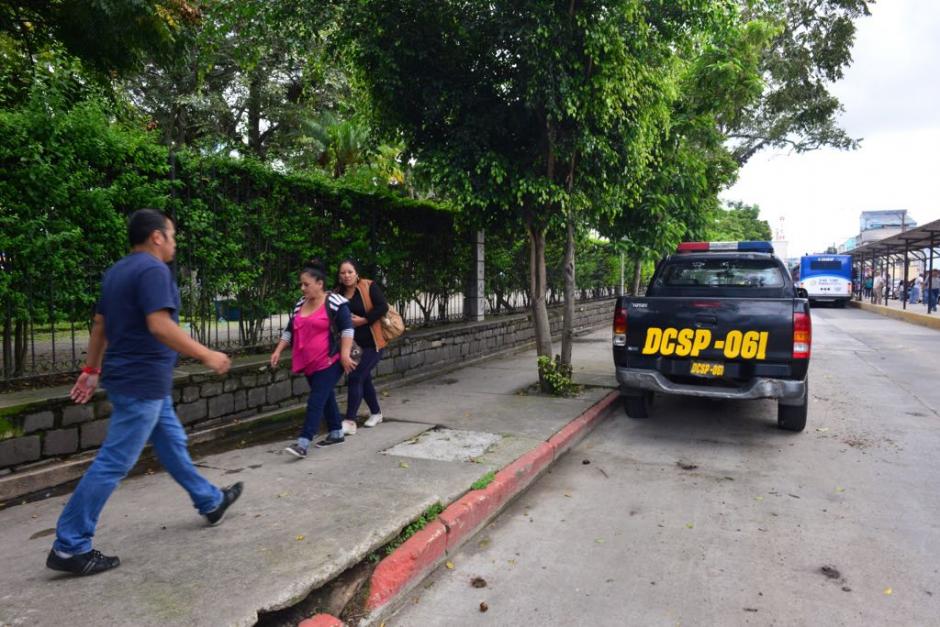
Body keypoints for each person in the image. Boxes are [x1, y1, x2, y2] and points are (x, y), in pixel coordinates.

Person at [47, 209, 241, 577]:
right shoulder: (154, 271)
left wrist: (91, 371)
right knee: (114, 462)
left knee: (172, 443)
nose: (174, 242)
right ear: (156, 237)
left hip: (130, 378)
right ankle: (70, 545)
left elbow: (100, 324)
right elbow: (159, 325)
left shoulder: (117, 271)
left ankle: (210, 501)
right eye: (172, 235)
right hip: (143, 382)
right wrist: (208, 354)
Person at [271, 260, 356, 457]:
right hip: (309, 362)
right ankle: (336, 432)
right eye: (301, 284)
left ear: (320, 283)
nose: (302, 288)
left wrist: (344, 355)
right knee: (325, 396)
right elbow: (290, 330)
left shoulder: (335, 302)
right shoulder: (300, 304)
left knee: (316, 400)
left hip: (331, 361)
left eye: (306, 284)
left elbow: (347, 329)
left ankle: (303, 442)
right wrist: (278, 350)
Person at [336, 259, 390, 432]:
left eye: (350, 272)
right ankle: (376, 412)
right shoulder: (337, 293)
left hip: (373, 343)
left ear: (356, 273)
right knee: (363, 378)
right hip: (351, 346)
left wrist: (364, 320)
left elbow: (382, 307)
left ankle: (350, 421)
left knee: (355, 376)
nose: (346, 276)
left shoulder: (368, 286)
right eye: (343, 273)